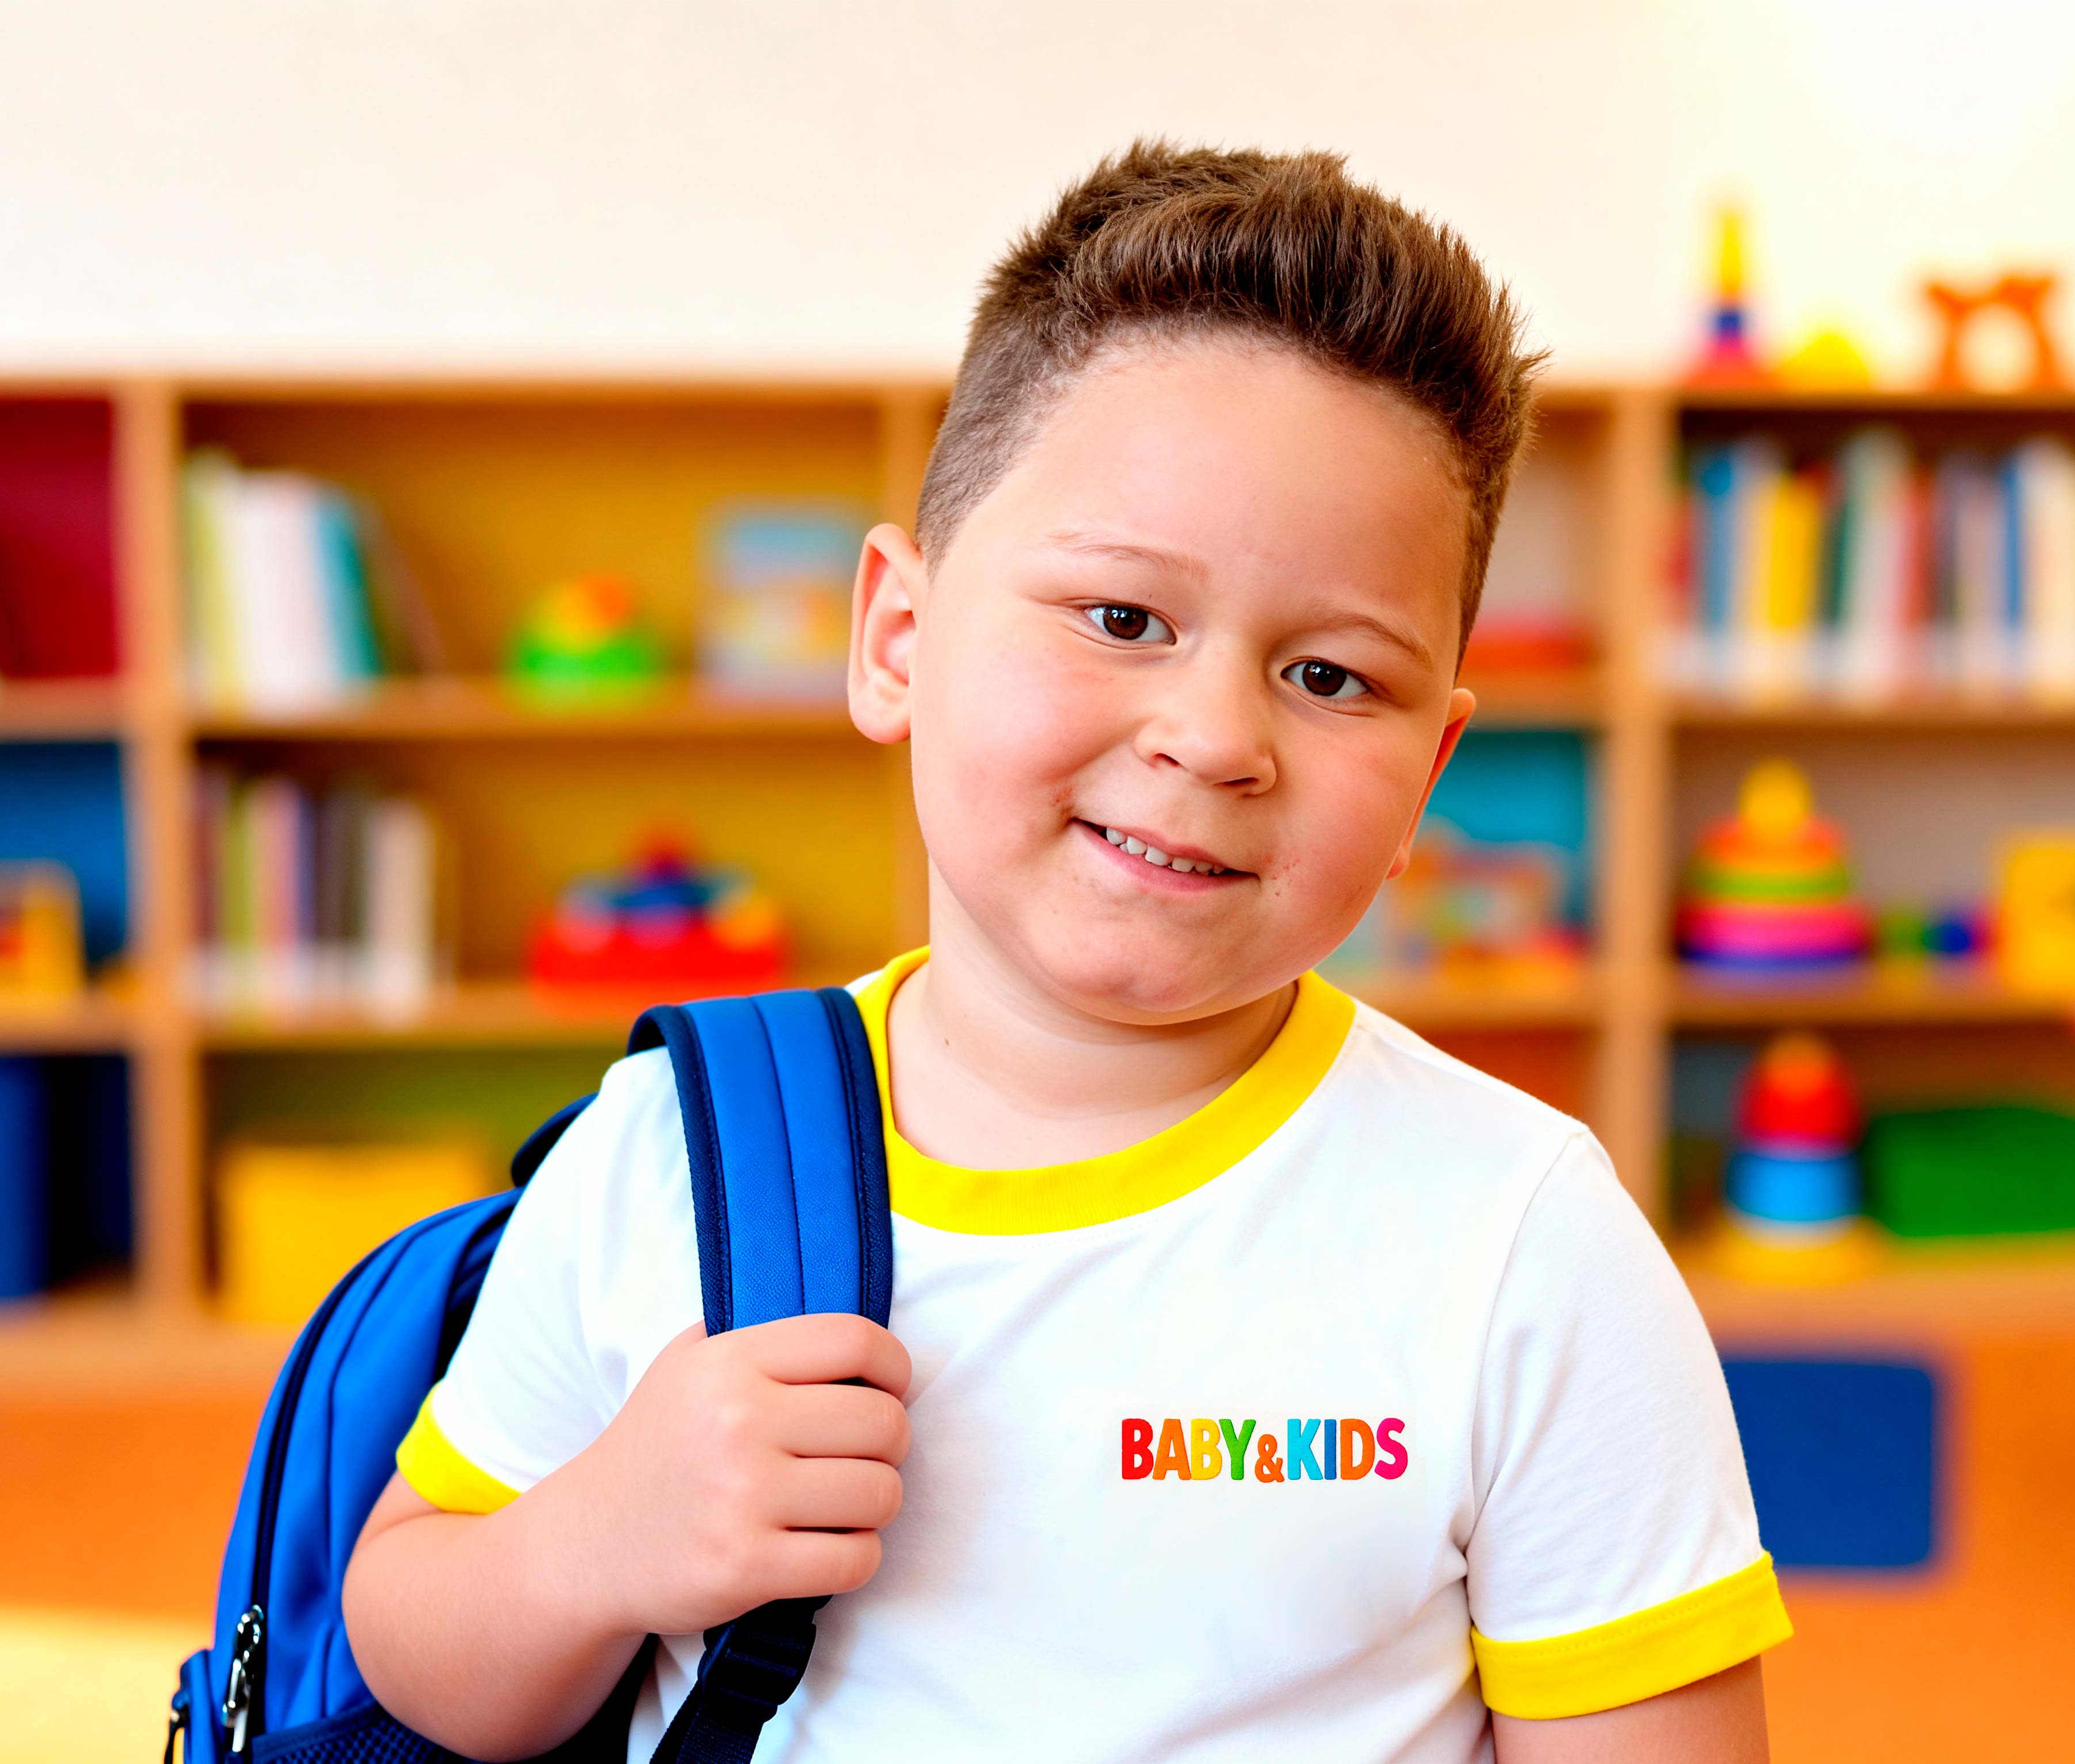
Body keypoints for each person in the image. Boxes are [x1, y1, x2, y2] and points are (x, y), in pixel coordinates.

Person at [343, 140, 1786, 1762]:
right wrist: (596, 1540)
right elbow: (414, 1640)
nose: (1214, 737)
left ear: (1425, 783)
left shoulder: (1524, 1242)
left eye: (1330, 678)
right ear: (897, 638)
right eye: (1121, 620)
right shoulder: (674, 1153)